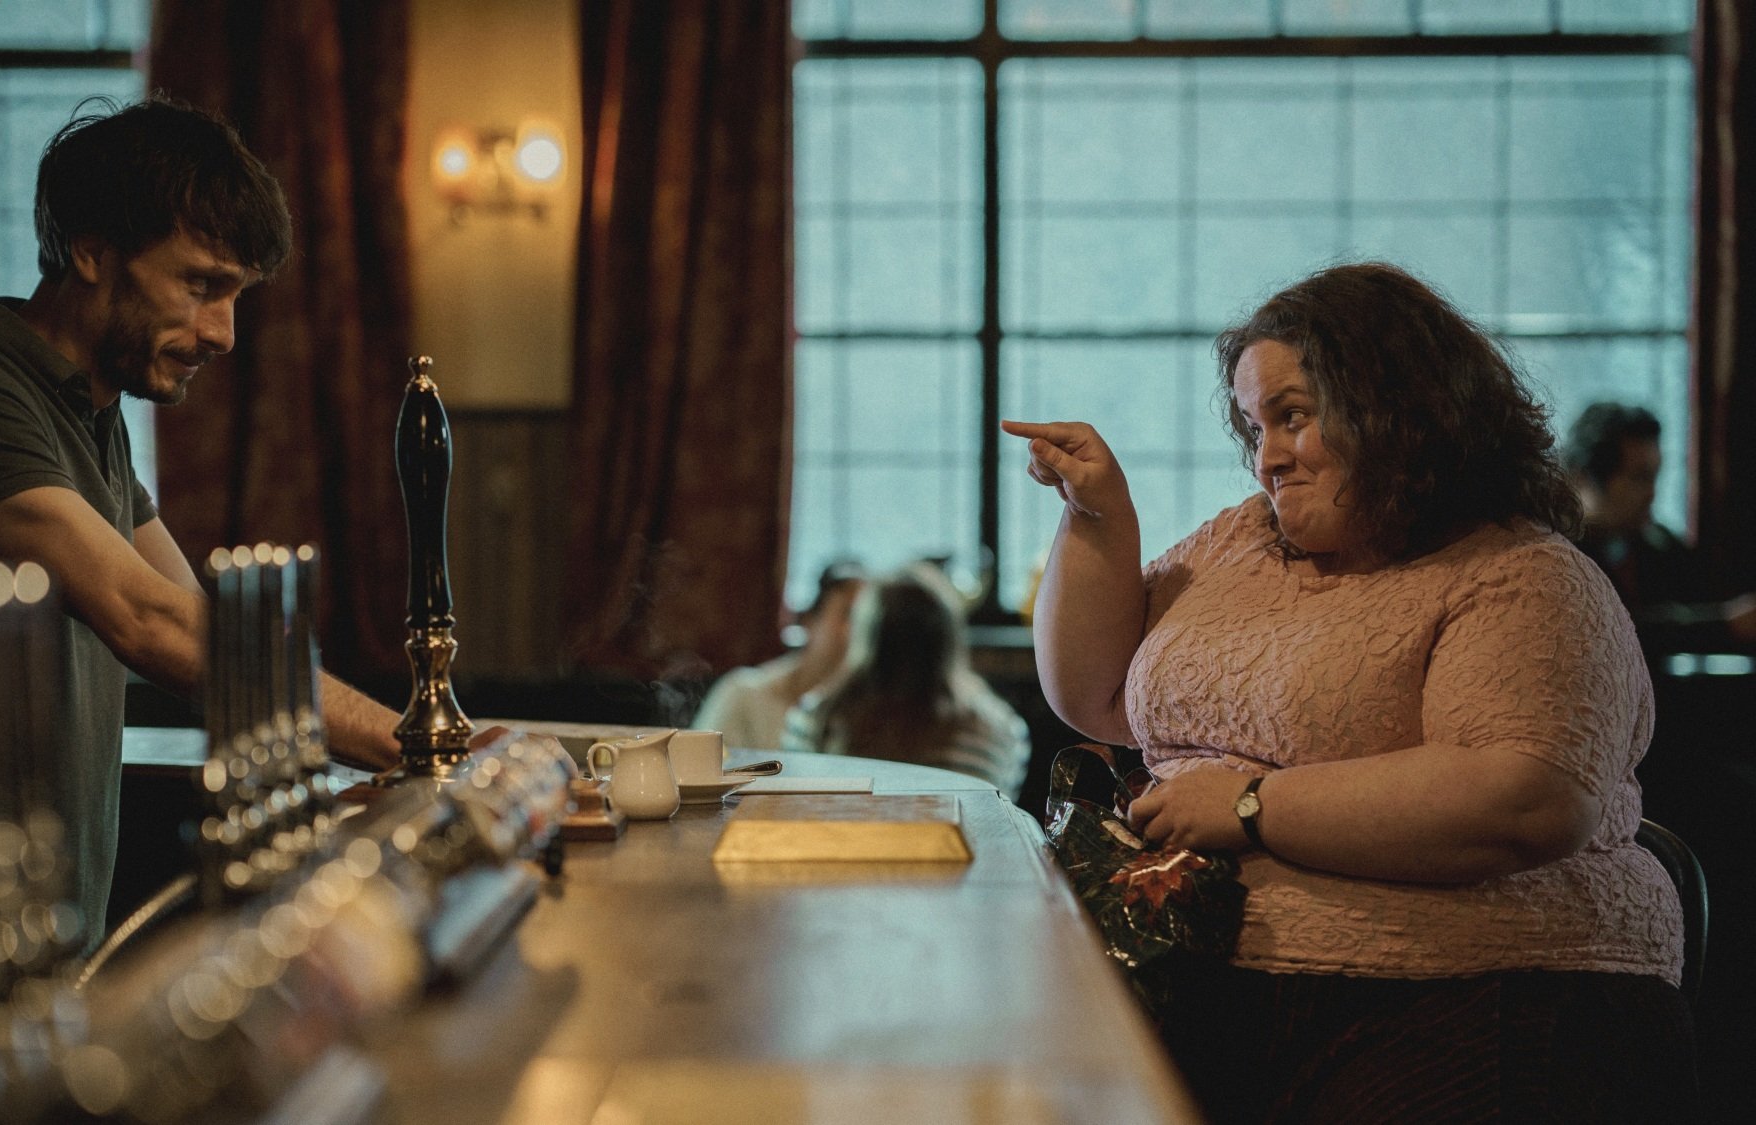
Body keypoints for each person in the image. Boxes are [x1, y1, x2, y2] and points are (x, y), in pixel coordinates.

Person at [1003, 262, 1692, 1121]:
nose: (1268, 458)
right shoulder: (1238, 542)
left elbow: (1525, 797)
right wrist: (1097, 517)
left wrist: (1251, 806)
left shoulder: (1522, 576)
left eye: (1293, 417)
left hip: (1474, 994)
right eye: (1255, 426)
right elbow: (1094, 695)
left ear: (1402, 407)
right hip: (1204, 975)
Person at [0, 98, 402, 944]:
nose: (224, 333)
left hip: (40, 941)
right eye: (200, 285)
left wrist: (398, 742)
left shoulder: (88, 410)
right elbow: (148, 618)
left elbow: (211, 624)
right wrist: (409, 740)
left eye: (235, 295)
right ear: (90, 249)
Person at [780, 564, 1030, 795]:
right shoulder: (999, 731)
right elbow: (994, 819)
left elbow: (804, 805)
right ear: (948, 639)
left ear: (865, 636)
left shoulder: (814, 720)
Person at [1563, 401, 1756, 658]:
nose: (1652, 493)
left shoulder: (1661, 546)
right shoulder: (1559, 556)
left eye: (1655, 477)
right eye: (1639, 478)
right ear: (1583, 478)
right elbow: (1612, 631)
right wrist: (1723, 625)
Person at [691, 560, 864, 750]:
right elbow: (696, 764)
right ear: (809, 621)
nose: (857, 630)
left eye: (867, 618)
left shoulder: (862, 715)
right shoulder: (744, 693)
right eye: (847, 614)